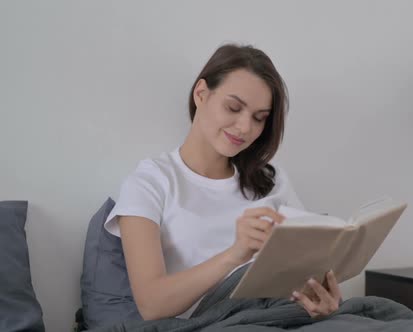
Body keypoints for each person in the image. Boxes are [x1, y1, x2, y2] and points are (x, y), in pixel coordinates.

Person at [104, 44, 342, 321]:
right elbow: (152, 304)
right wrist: (236, 254)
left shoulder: (271, 180)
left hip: (282, 317)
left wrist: (319, 301)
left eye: (259, 118)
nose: (245, 127)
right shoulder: (150, 182)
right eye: (233, 107)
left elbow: (306, 268)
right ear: (201, 94)